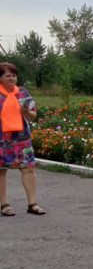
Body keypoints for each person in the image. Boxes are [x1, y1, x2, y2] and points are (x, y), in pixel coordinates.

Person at [0, 62, 45, 216]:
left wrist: (26, 111)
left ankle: (32, 203)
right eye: (8, 75)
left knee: (29, 168)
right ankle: (4, 204)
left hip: (21, 138)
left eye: (14, 75)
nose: (12, 78)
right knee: (1, 171)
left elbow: (33, 115)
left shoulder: (23, 92)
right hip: (2, 139)